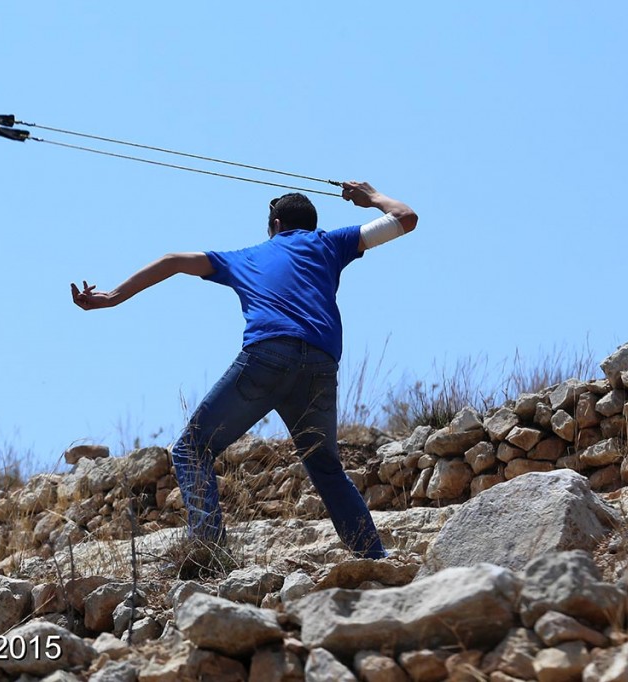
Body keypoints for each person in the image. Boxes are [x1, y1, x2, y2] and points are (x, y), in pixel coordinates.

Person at [70, 181, 417, 559]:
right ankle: (375, 560)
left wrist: (113, 297)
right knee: (327, 471)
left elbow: (173, 261)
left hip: (266, 357)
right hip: (320, 365)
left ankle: (209, 551)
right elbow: (404, 217)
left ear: (276, 224)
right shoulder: (329, 243)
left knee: (191, 448)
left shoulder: (247, 257)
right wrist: (370, 197)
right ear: (310, 225)